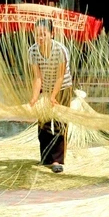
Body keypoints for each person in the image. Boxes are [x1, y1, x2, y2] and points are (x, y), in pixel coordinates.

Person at [28, 18, 72, 173]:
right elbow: (37, 77)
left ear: (51, 34)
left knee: (60, 122)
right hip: (45, 88)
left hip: (63, 88)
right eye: (37, 35)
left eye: (43, 34)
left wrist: (54, 96)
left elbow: (60, 77)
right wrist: (35, 97)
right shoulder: (33, 51)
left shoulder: (60, 50)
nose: (40, 38)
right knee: (43, 121)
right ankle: (46, 157)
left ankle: (57, 161)